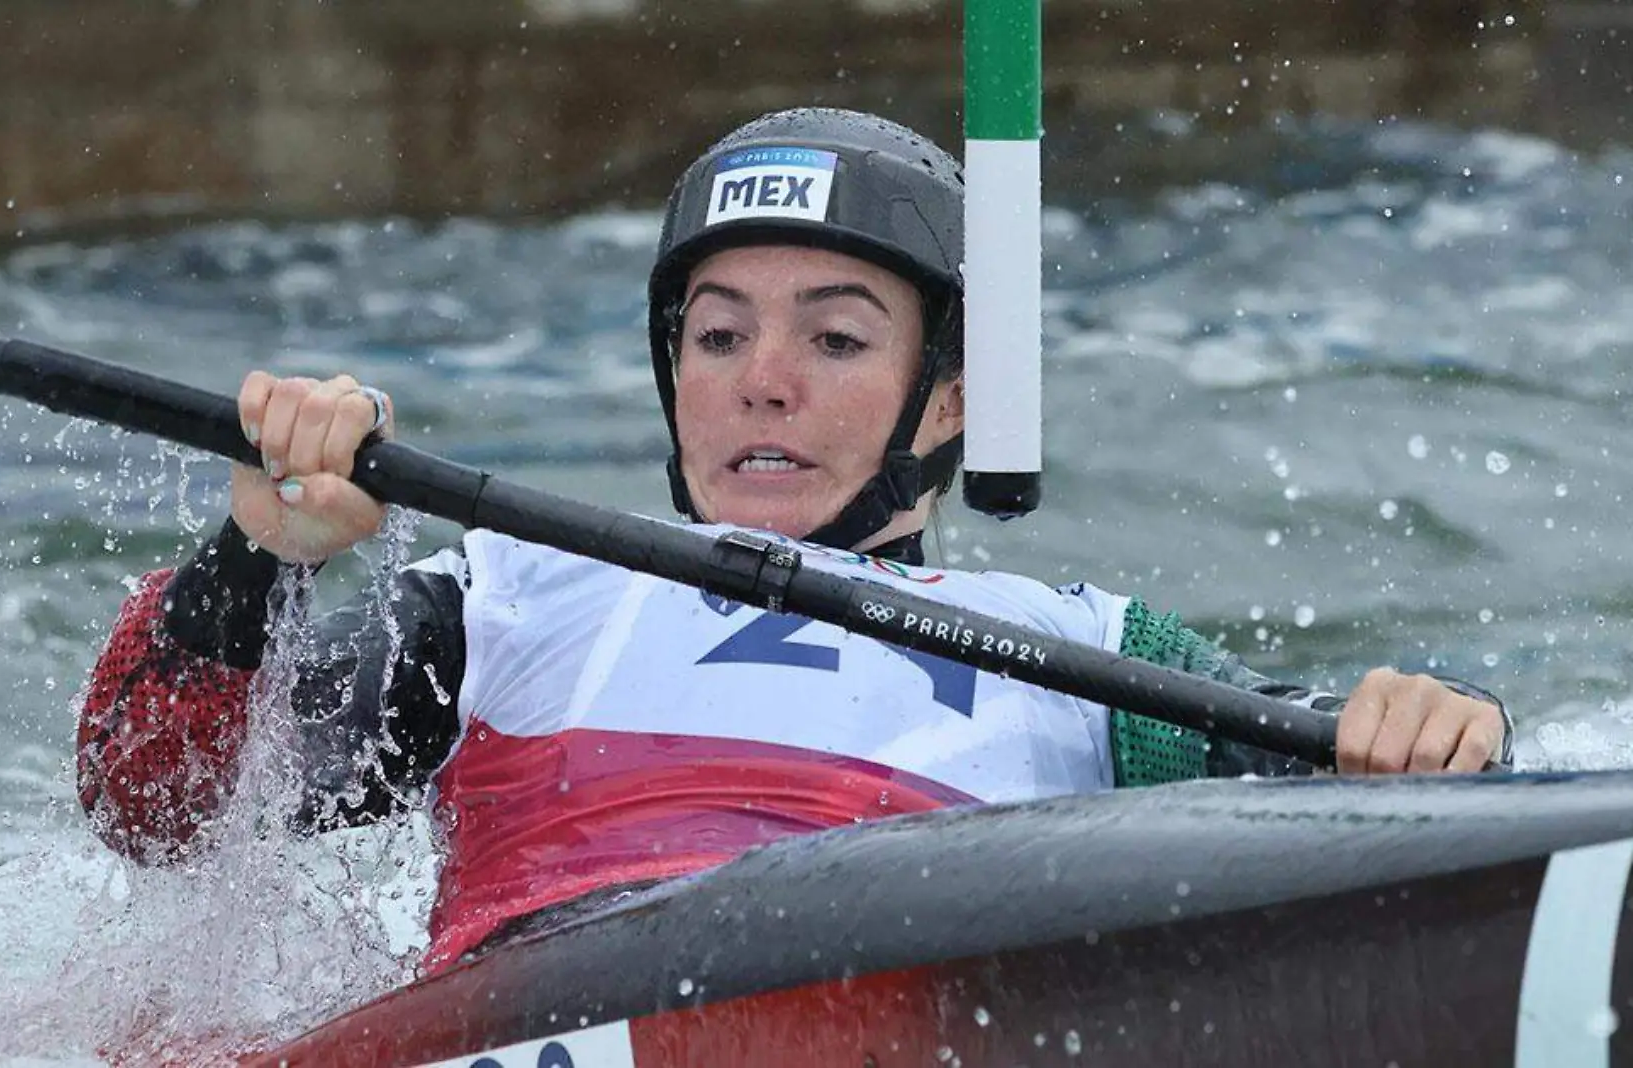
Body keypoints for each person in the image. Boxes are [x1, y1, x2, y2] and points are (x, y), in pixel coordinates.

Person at [75, 108, 1513, 975]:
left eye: (834, 335)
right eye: (717, 335)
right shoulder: (510, 594)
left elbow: (1386, 850)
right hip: (544, 1003)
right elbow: (162, 813)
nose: (763, 377)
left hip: (900, 985)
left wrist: (1435, 741)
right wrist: (257, 559)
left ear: (946, 400)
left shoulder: (1090, 649)